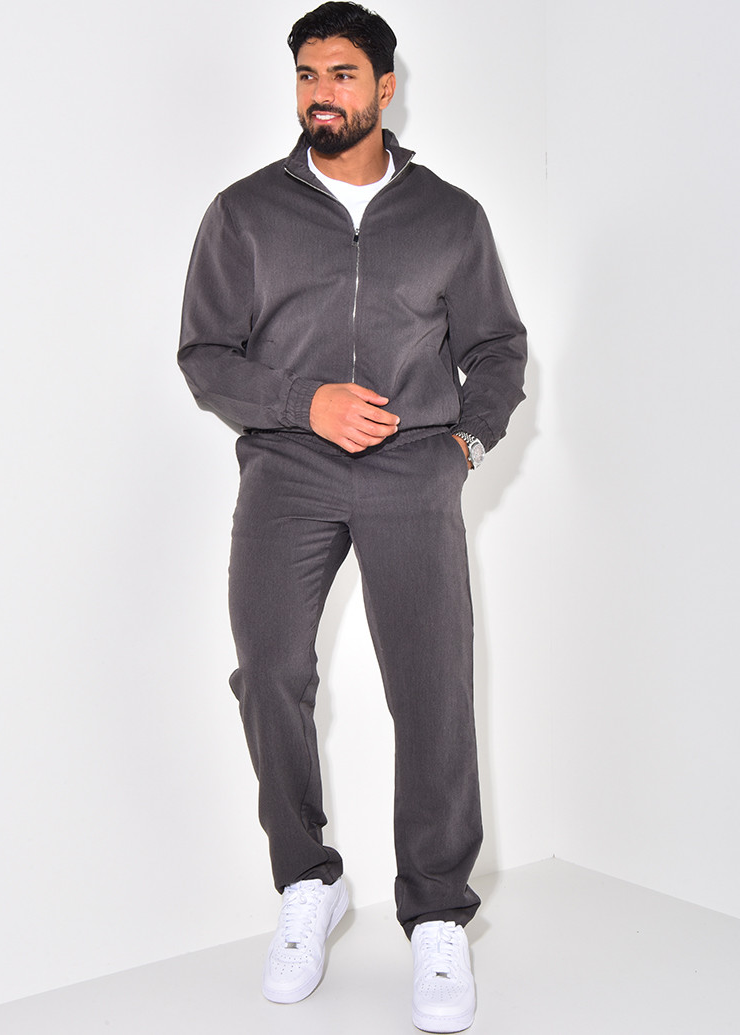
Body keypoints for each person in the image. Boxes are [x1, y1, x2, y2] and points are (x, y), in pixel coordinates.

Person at [178, 3, 526, 1031]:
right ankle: (307, 879)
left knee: (432, 688)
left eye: (339, 74)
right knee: (269, 669)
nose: (319, 93)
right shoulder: (244, 213)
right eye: (305, 75)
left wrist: (463, 445)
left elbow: (496, 349)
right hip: (286, 471)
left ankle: (436, 913)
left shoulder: (450, 217)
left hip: (414, 472)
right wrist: (304, 403)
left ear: (383, 87)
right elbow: (205, 355)